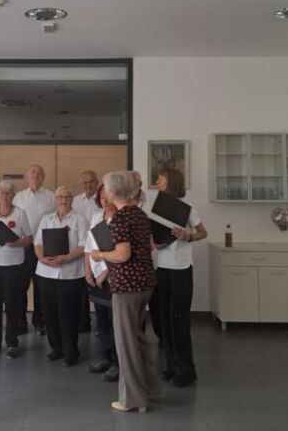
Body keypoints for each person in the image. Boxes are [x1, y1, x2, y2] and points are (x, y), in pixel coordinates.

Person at [90, 171, 159, 414]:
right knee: (138, 339)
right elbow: (148, 246)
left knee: (126, 344)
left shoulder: (119, 218)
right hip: (145, 283)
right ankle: (149, 389)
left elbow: (122, 254)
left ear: (112, 192)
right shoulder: (139, 214)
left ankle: (133, 399)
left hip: (127, 287)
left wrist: (98, 254)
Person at [149, 168, 207, 387]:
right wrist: (154, 242)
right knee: (164, 319)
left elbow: (203, 232)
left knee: (179, 320)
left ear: (171, 181)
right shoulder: (156, 208)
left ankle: (186, 370)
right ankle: (172, 366)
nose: (158, 181)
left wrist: (187, 236)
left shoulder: (187, 208)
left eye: (161, 178)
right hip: (161, 268)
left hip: (181, 269)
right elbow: (153, 234)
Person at [34, 186, 88, 366]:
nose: (63, 200)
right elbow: (37, 243)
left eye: (67, 197)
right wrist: (41, 258)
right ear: (55, 200)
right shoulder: (46, 219)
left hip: (71, 274)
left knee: (69, 315)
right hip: (46, 272)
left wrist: (68, 258)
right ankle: (56, 348)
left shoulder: (80, 219)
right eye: (60, 197)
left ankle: (71, 351)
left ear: (72, 199)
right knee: (49, 313)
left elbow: (83, 245)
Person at [0, 180, 34, 358]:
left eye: (8, 193)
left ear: (13, 195)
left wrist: (17, 242)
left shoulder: (20, 213)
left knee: (12, 304)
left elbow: (29, 238)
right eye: (1, 192)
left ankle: (12, 343)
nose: (4, 196)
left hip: (13, 265)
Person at [13, 165, 55, 335]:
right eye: (32, 173)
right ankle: (20, 322)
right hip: (23, 247)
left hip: (44, 247)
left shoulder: (51, 197)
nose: (35, 175)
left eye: (39, 173)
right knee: (20, 286)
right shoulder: (18, 197)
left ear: (43, 177)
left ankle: (39, 322)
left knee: (41, 287)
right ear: (26, 177)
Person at [84, 184, 119, 382]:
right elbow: (88, 248)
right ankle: (106, 357)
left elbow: (120, 252)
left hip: (112, 277)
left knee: (115, 321)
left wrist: (105, 273)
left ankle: (118, 362)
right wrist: (87, 271)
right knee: (101, 319)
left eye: (107, 196)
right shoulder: (97, 216)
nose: (104, 200)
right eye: (101, 196)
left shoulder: (120, 219)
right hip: (95, 276)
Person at [72, 170, 99, 332]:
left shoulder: (102, 200)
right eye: (85, 182)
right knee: (81, 287)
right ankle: (83, 322)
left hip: (98, 249)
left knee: (98, 285)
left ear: (97, 182)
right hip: (80, 249)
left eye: (91, 182)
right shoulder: (75, 201)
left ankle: (101, 323)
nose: (88, 185)